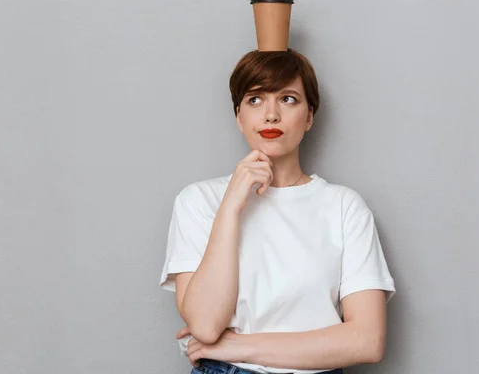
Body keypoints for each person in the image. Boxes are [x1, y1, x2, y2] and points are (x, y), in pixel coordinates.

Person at [159, 49, 396, 374]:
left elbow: (367, 341)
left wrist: (240, 346)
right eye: (255, 100)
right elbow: (204, 325)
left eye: (288, 99)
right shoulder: (199, 200)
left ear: (309, 116)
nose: (271, 115)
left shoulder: (344, 207)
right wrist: (230, 207)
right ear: (238, 116)